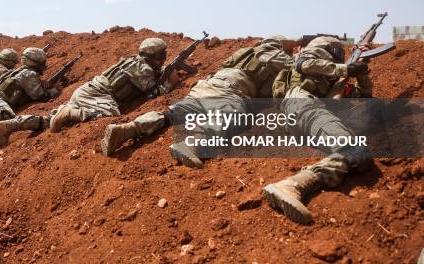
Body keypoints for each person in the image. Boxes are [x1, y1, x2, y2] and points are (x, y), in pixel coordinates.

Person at [100, 36, 294, 167]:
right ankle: (192, 145)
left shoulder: (245, 52)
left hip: (205, 86)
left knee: (172, 114)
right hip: (231, 92)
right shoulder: (280, 61)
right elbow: (276, 93)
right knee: (231, 119)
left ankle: (131, 128)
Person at [263, 36, 373, 224]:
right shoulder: (312, 57)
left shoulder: (332, 79)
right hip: (304, 106)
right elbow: (304, 63)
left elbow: (365, 96)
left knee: (356, 152)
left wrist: (361, 69)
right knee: (354, 149)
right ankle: (293, 185)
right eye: (339, 52)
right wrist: (346, 68)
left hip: (301, 115)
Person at [47, 38, 174, 134]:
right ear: (149, 57)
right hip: (96, 94)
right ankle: (68, 112)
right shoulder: (141, 69)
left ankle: (68, 111)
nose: (163, 59)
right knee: (110, 114)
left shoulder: (137, 63)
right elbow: (154, 93)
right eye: (161, 56)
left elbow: (155, 74)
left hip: (89, 93)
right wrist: (171, 83)